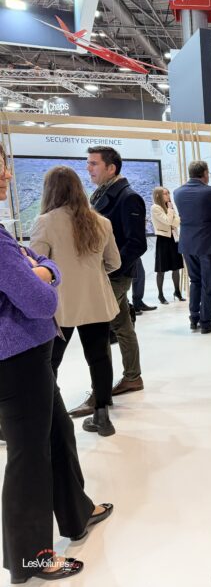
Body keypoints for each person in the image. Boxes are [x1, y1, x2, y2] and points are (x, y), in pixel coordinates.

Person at [0, 143, 113, 584]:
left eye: (7, 165)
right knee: (30, 454)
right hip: (16, 356)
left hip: (28, 353)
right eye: (1, 167)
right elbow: (38, 298)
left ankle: (76, 512)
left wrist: (43, 266)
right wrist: (44, 274)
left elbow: (39, 265)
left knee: (58, 432)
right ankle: (29, 557)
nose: (7, 175)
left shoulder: (29, 228)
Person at [30, 166, 121, 434]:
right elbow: (114, 262)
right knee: (100, 358)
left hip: (60, 306)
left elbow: (37, 269)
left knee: (50, 362)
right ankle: (102, 415)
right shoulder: (102, 222)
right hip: (96, 302)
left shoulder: (45, 222)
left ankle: (48, 420)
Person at [85, 146, 146, 407]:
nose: (89, 168)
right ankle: (132, 377)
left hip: (114, 275)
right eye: (88, 163)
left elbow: (136, 243)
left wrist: (112, 269)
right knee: (121, 325)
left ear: (112, 168)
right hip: (105, 273)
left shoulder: (128, 197)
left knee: (99, 330)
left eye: (94, 164)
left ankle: (100, 391)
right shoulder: (102, 194)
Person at [174, 161, 211, 334]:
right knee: (208, 284)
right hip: (208, 244)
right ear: (204, 173)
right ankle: (206, 322)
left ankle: (194, 318)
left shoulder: (177, 192)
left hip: (187, 244)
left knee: (195, 281)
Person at [151, 186, 184, 305]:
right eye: (165, 194)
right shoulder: (155, 208)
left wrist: (171, 213)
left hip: (174, 239)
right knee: (161, 269)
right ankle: (160, 295)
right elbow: (168, 221)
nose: (168, 195)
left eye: (168, 193)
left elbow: (177, 222)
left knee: (176, 267)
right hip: (163, 240)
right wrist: (170, 211)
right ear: (158, 195)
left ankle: (177, 292)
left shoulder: (170, 207)